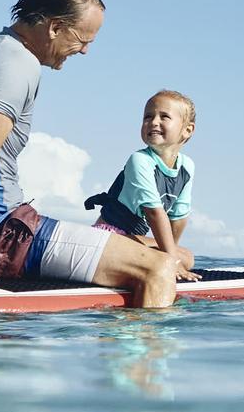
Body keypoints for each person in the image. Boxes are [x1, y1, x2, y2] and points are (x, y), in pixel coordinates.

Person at [0, 0, 177, 309]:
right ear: (54, 27)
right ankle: (140, 345)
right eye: (82, 39)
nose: (85, 50)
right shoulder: (16, 65)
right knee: (158, 268)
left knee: (170, 252)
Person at [86, 90, 203, 282]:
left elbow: (179, 217)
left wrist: (171, 254)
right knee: (178, 257)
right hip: (107, 238)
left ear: (187, 130)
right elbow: (154, 213)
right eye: (148, 117)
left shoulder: (186, 167)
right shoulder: (140, 160)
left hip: (132, 240)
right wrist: (171, 261)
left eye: (164, 116)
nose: (154, 122)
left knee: (187, 257)